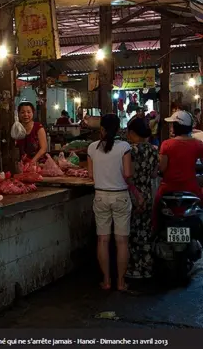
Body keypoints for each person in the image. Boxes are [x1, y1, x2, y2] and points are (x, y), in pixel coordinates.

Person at [87, 114, 141, 292]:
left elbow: (90, 176)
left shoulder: (92, 148)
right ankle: (120, 283)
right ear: (118, 130)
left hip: (101, 196)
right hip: (120, 196)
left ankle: (106, 281)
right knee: (122, 242)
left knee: (102, 240)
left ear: (101, 129)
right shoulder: (124, 147)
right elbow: (127, 174)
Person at [126, 118, 159, 279]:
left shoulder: (131, 151)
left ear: (132, 133)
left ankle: (134, 269)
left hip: (134, 195)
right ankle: (147, 268)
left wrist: (136, 194)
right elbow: (154, 174)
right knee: (145, 231)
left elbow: (128, 176)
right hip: (147, 192)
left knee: (133, 233)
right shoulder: (153, 149)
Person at [157, 110, 203, 206]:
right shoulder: (198, 144)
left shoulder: (166, 144)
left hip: (169, 188)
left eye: (172, 125)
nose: (170, 127)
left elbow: (162, 168)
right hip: (191, 187)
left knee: (157, 209)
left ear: (176, 127)